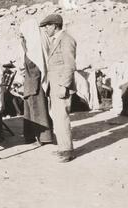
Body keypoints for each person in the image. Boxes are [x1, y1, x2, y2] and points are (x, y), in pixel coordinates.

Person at [40, 14, 77, 162]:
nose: (46, 29)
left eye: (48, 26)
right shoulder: (56, 40)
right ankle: (63, 147)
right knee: (58, 118)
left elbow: (70, 65)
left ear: (55, 26)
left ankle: (67, 151)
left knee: (62, 118)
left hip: (61, 86)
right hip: (54, 86)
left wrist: (64, 86)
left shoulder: (67, 40)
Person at [19, 18, 53, 146]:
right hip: (31, 83)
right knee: (31, 112)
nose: (21, 37)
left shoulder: (34, 48)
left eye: (23, 35)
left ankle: (43, 138)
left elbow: (34, 66)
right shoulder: (32, 45)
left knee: (37, 110)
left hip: (35, 84)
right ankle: (32, 137)